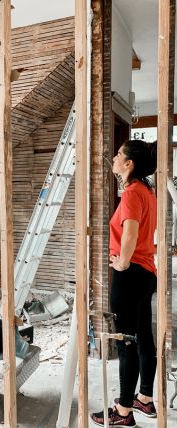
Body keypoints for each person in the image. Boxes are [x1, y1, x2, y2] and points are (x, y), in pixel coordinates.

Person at [91, 140, 158, 427]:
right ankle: (144, 398)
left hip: (130, 275)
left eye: (119, 155)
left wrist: (122, 262)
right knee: (143, 338)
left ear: (128, 164)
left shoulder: (132, 193)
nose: (115, 159)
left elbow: (130, 232)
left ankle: (124, 411)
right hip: (146, 273)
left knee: (127, 342)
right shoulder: (147, 191)